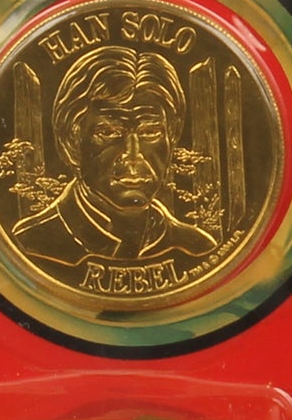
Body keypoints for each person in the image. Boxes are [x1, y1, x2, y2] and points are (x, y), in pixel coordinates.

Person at [11, 45, 218, 271]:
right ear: (72, 142)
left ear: (171, 139)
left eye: (150, 132)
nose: (133, 156)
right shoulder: (30, 244)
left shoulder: (197, 246)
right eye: (109, 133)